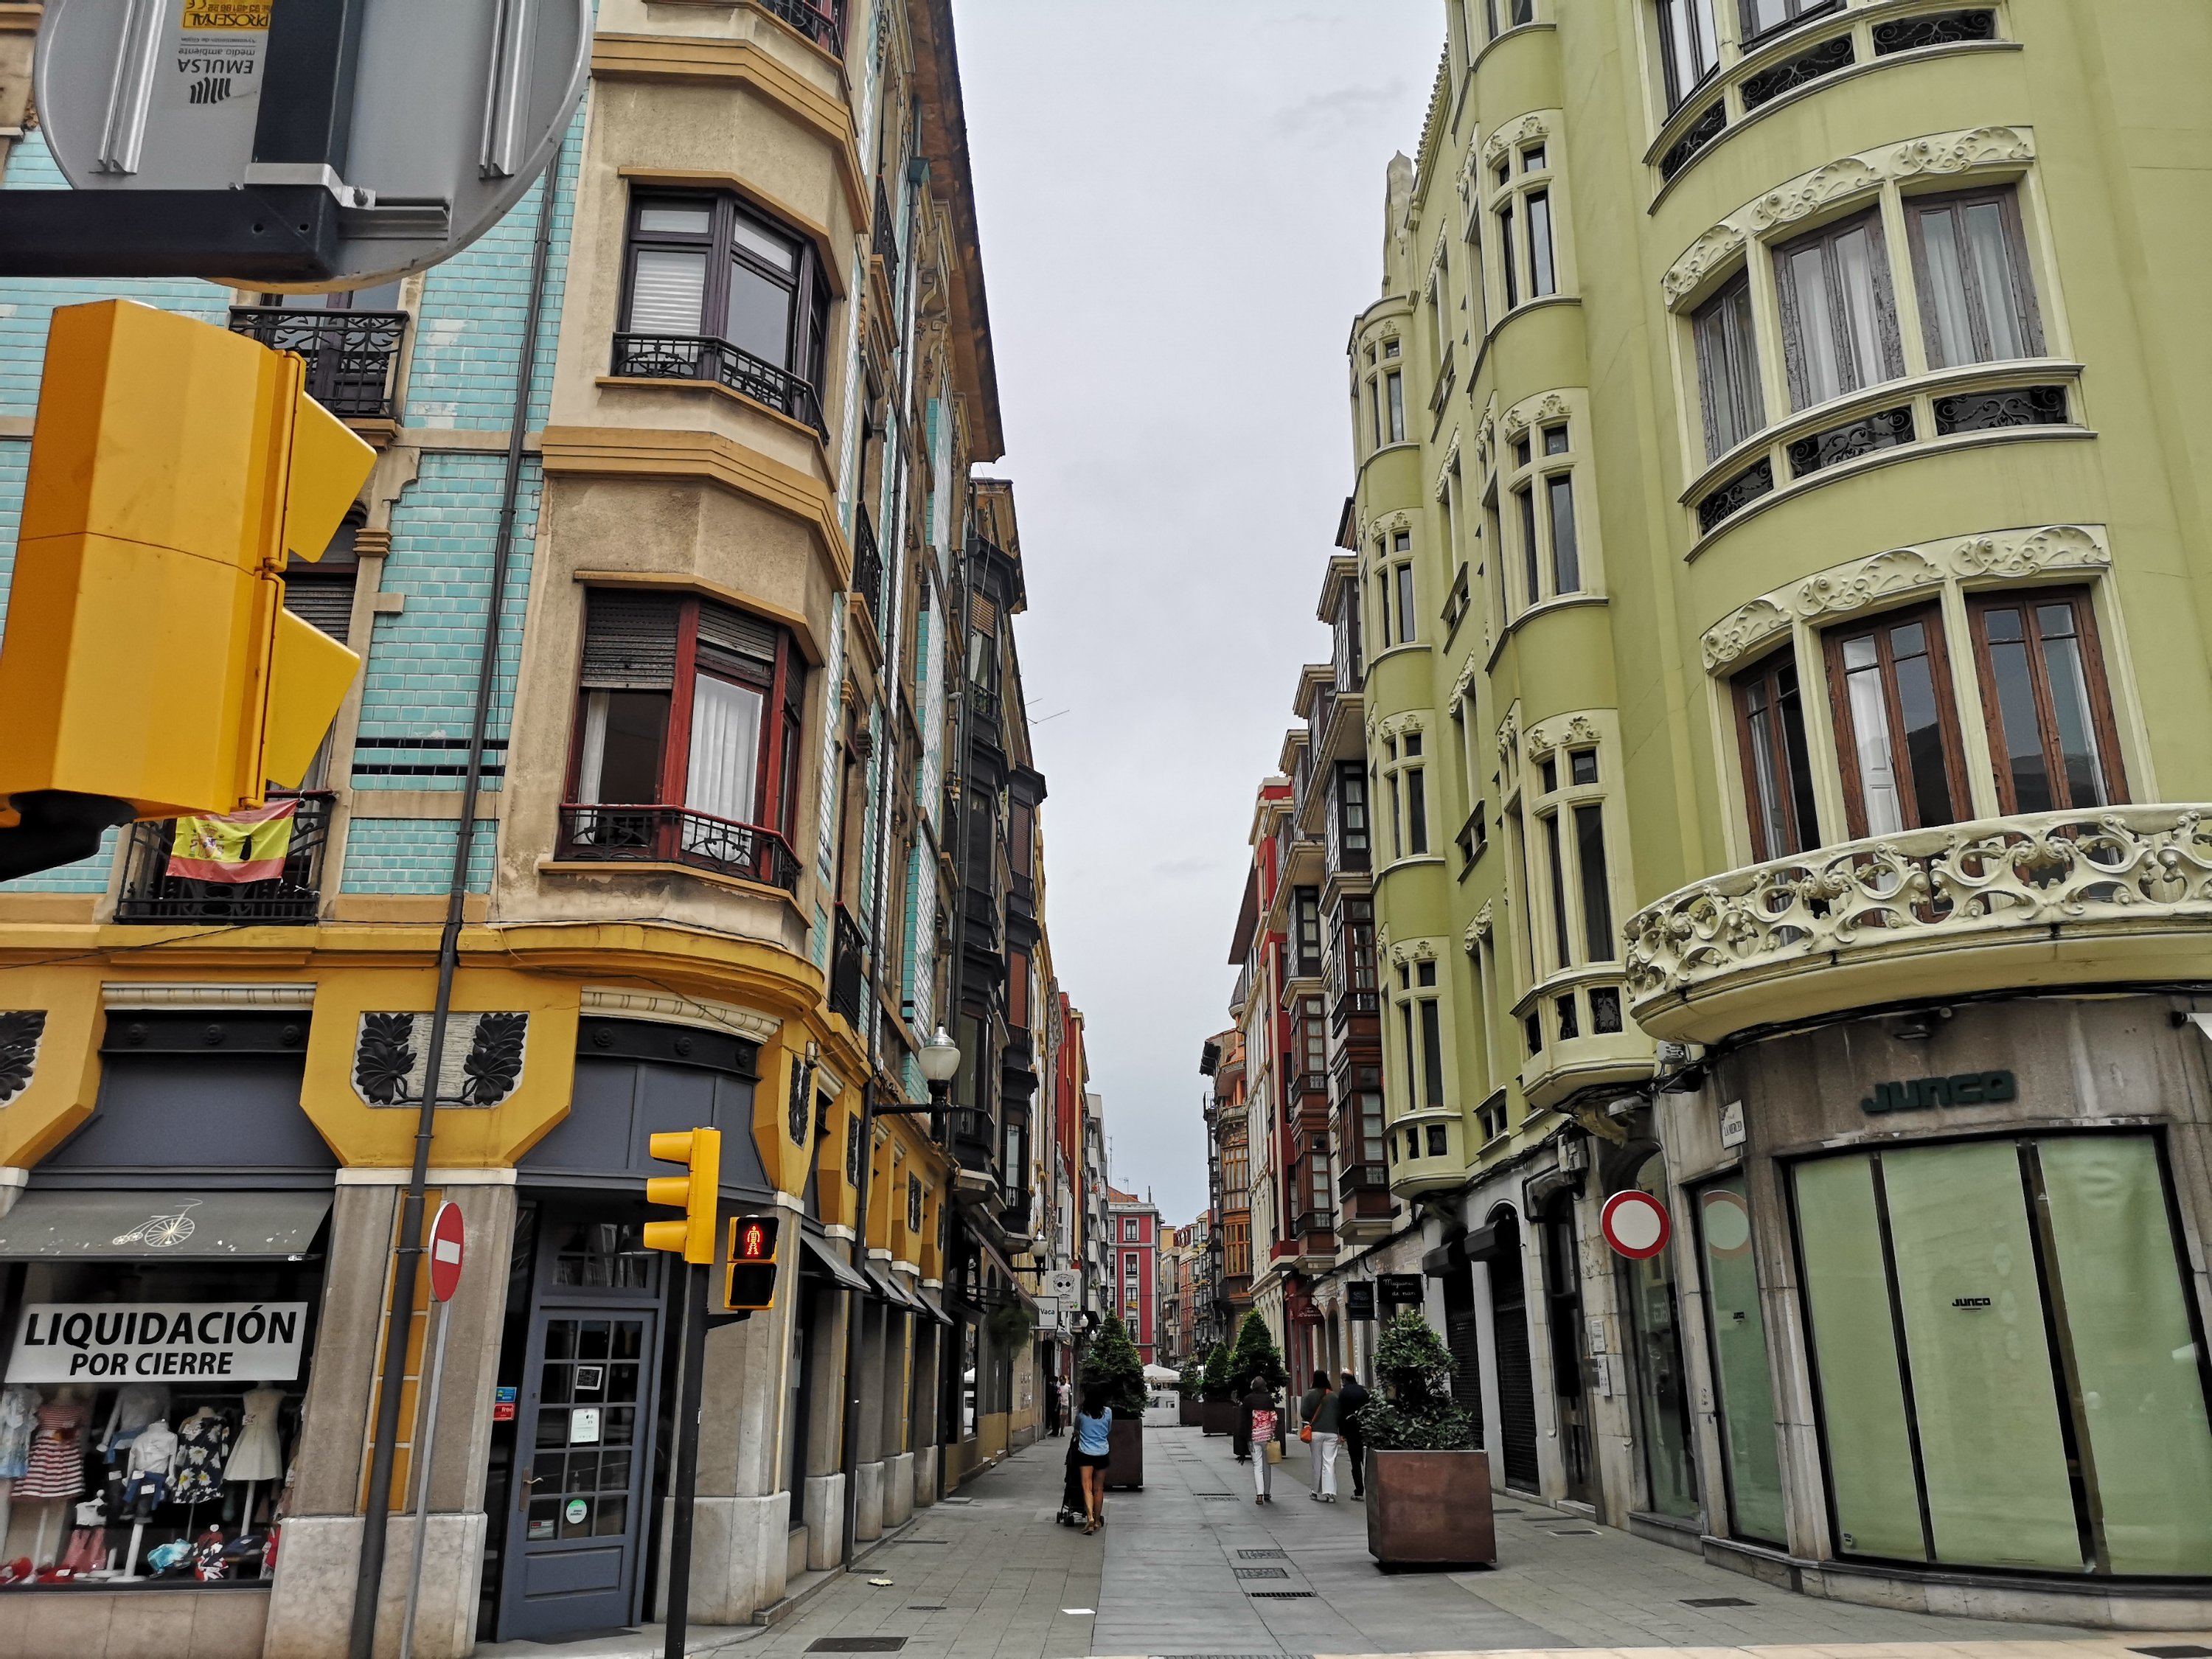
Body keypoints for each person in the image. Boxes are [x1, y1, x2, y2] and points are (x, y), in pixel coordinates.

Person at [1072, 1382, 1113, 1533]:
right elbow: (1108, 1429)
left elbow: (1077, 1429)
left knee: (1087, 1488)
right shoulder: (1108, 1412)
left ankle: (1089, 1517)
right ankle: (1097, 1521)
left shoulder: (1082, 1413)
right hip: (1102, 1453)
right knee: (1099, 1489)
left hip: (1085, 1454)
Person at [1299, 1368, 1341, 1502]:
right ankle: (1329, 1493)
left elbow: (1304, 1413)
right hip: (1332, 1432)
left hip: (1316, 1432)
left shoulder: (1309, 1395)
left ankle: (1316, 1491)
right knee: (1329, 1462)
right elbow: (1340, 1415)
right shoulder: (1334, 1396)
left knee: (1317, 1462)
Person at [1239, 1377, 1281, 1503]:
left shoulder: (1248, 1400)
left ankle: (1259, 1495)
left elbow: (1244, 1421)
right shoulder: (1269, 1400)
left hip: (1254, 1437)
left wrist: (1245, 1437)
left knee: (1257, 1466)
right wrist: (1272, 1432)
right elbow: (1274, 1418)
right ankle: (1267, 1493)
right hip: (1267, 1437)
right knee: (1267, 1465)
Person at [1338, 1367, 1372, 1500]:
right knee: (1366, 1461)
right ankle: (1371, 1489)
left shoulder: (1343, 1393)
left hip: (1351, 1430)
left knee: (1355, 1462)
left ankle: (1359, 1491)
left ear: (1344, 1380)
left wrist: (1342, 1432)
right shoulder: (1364, 1391)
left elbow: (1341, 1413)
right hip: (1365, 1429)